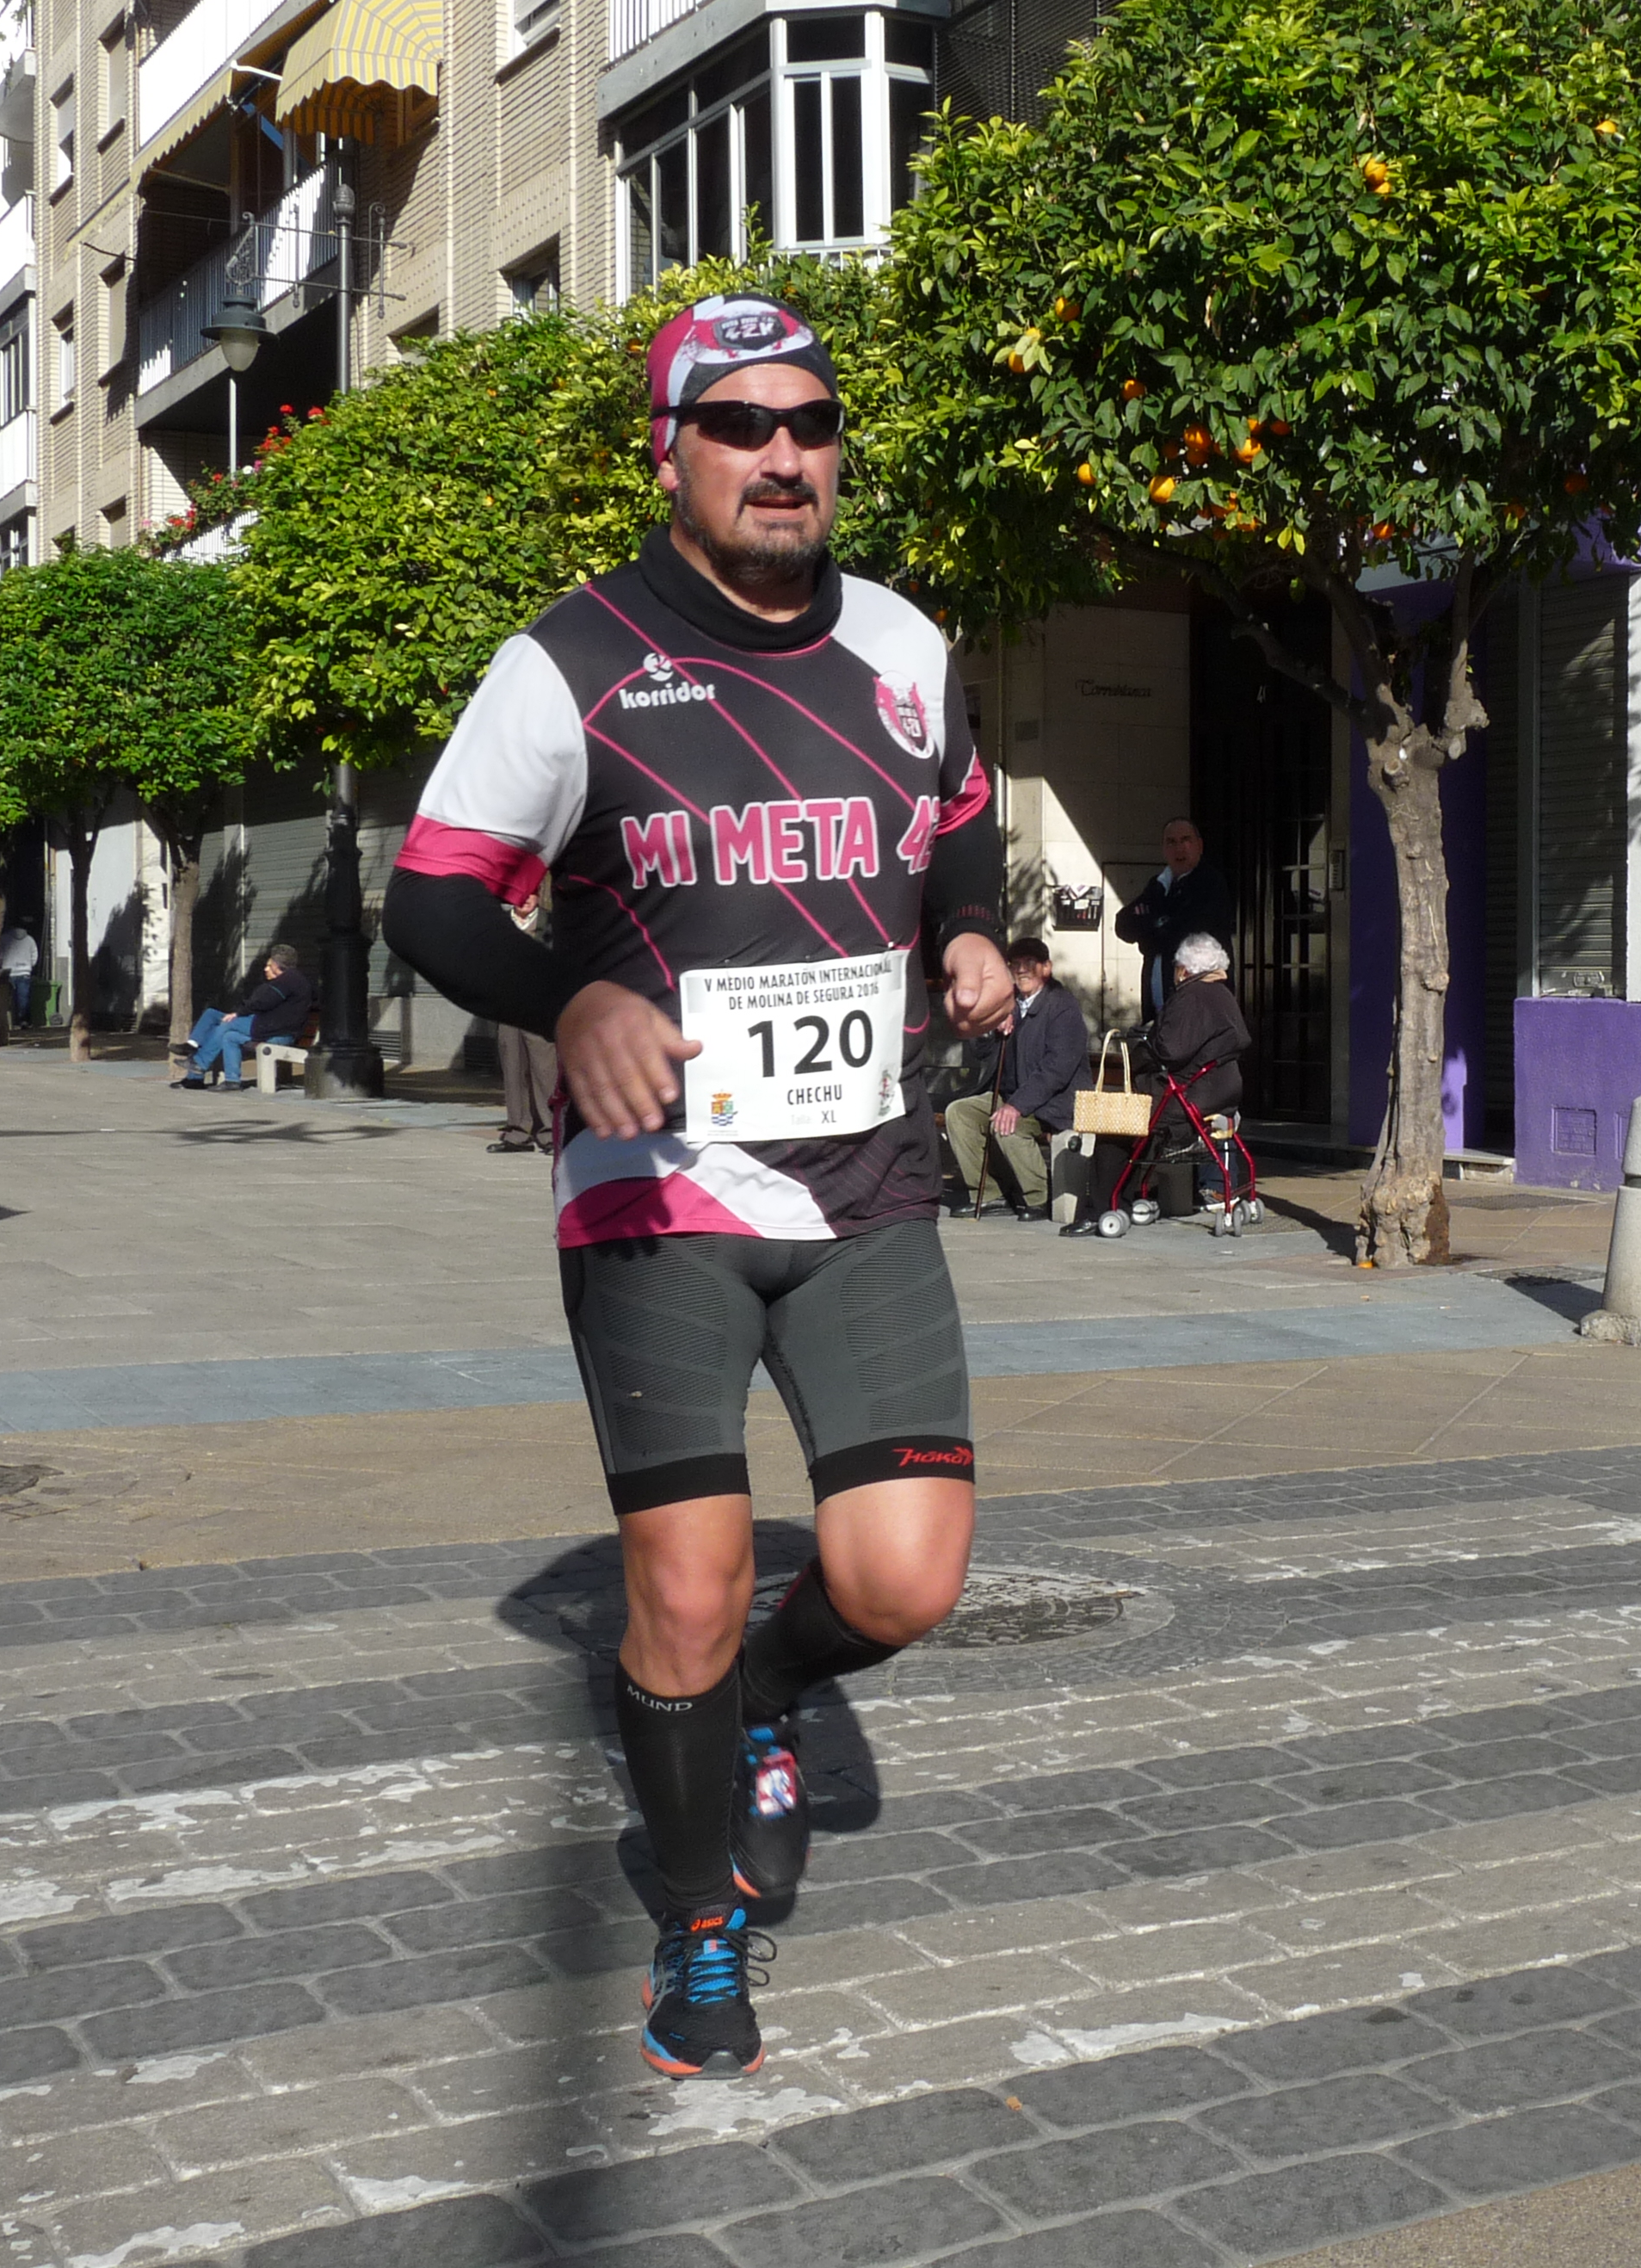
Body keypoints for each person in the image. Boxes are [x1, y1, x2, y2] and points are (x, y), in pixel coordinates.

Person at [380, 294, 1009, 2084]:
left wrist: (970, 928)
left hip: (867, 1182)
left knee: (903, 1579)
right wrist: (565, 999)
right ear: (670, 456)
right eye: (740, 426)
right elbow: (431, 897)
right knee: (683, 1589)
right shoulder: (569, 662)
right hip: (655, 1197)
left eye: (811, 422)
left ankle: (768, 1697)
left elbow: (959, 814)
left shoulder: (901, 641)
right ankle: (697, 1915)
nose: (783, 455)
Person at [941, 937, 1086, 1219]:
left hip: (1053, 1104)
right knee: (960, 1113)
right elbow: (982, 1051)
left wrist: (1016, 1105)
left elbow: (1057, 1069)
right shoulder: (1011, 1004)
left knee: (1008, 1123)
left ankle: (1038, 1197)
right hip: (1013, 1096)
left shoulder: (1061, 1006)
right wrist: (991, 1025)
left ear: (1046, 968)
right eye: (1015, 964)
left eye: (1029, 963)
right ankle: (990, 1194)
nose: (1021, 970)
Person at [1144, 930, 1251, 1211]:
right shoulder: (1223, 993)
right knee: (1214, 1124)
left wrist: (1151, 1038)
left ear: (1184, 968)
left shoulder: (1190, 996)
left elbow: (1172, 1050)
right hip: (1226, 1087)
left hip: (1195, 1092)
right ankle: (1219, 1186)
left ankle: (1143, 1186)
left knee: (1141, 1112)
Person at [1113, 816, 1232, 1015]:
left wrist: (1148, 934)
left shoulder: (1210, 883)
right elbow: (1123, 926)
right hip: (1157, 1006)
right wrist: (1159, 924)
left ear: (1199, 845)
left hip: (1197, 1007)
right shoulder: (1158, 885)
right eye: (1171, 842)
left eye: (1185, 840)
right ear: (1164, 849)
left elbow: (1182, 934)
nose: (1179, 848)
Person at [172, 944, 312, 1091]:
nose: (266, 969)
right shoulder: (289, 981)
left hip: (276, 1032)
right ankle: (229, 1079)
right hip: (268, 1026)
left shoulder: (288, 981)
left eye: (269, 965)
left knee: (227, 1025)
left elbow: (262, 1003)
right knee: (224, 1029)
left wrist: (238, 1014)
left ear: (277, 965)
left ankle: (199, 1065)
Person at [492, 898, 562, 1154]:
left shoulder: (551, 923)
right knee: (513, 1067)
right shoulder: (498, 924)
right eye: (521, 894)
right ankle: (518, 1133)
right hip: (508, 1008)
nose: (526, 899)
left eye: (531, 893)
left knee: (545, 1069)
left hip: (539, 1007)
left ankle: (550, 1133)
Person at [0, 919, 39, 1025]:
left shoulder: (4, 938)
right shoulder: (30, 940)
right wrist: (29, 966)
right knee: (23, 999)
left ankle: (10, 1021)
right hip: (24, 972)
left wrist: (2, 964)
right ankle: (23, 1020)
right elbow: (34, 956)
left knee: (8, 998)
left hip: (8, 972)